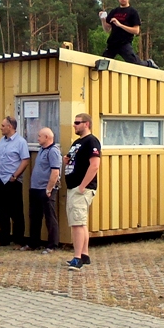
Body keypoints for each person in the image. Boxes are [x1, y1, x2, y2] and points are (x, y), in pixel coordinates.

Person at [64, 113, 101, 271]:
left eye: (77, 122)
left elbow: (95, 165)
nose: (74, 125)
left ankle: (77, 258)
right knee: (80, 222)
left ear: (86, 124)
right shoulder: (77, 142)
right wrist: (67, 160)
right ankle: (84, 254)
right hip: (73, 186)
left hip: (81, 188)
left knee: (77, 224)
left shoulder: (91, 141)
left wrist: (82, 186)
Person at [100, 0, 157, 69]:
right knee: (101, 65)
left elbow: (136, 31)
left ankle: (149, 63)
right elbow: (107, 29)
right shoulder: (114, 11)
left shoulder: (132, 12)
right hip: (112, 44)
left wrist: (120, 25)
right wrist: (103, 19)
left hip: (124, 44)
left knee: (136, 64)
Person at [0, 116, 30, 247]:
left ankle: (18, 240)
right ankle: (3, 238)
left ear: (10, 127)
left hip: (12, 181)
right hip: (0, 180)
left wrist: (15, 175)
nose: (1, 128)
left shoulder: (20, 142)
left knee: (16, 212)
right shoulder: (2, 141)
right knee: (1, 211)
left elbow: (25, 160)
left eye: (3, 126)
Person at [24, 127, 60, 253]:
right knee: (34, 217)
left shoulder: (53, 151)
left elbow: (55, 172)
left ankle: (52, 245)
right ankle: (34, 243)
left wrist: (49, 189)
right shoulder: (41, 150)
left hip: (45, 189)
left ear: (47, 137)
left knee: (50, 217)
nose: (37, 138)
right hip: (35, 188)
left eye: (39, 136)